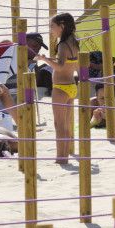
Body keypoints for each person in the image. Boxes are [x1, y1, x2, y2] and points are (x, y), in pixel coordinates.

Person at [36, 12, 79, 163]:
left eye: (52, 26)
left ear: (62, 26)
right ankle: (64, 157)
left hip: (61, 88)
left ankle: (61, 158)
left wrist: (45, 59)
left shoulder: (62, 44)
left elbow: (60, 66)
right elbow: (70, 63)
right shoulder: (73, 40)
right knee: (66, 125)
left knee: (59, 125)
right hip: (72, 86)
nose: (51, 29)